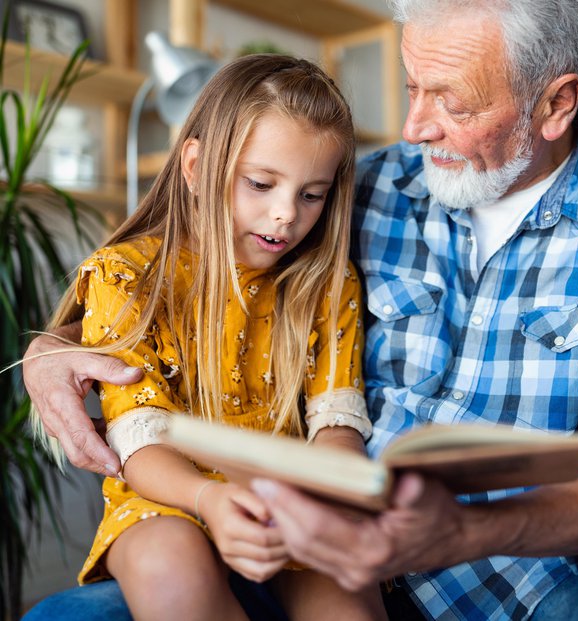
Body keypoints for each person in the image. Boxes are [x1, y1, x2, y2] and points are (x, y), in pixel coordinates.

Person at [23, 1, 578, 619]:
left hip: (521, 576)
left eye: (452, 102)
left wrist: (464, 532)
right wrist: (50, 346)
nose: (413, 126)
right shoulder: (358, 188)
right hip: (314, 542)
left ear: (555, 103)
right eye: (410, 86)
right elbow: (189, 276)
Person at [27, 54, 386, 621]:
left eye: (312, 194)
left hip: (288, 498)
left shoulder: (326, 282)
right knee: (168, 566)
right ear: (195, 166)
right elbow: (141, 442)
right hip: (165, 498)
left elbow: (335, 421)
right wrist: (209, 498)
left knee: (348, 594)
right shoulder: (126, 277)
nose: (285, 215)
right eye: (261, 184)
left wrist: (335, 490)